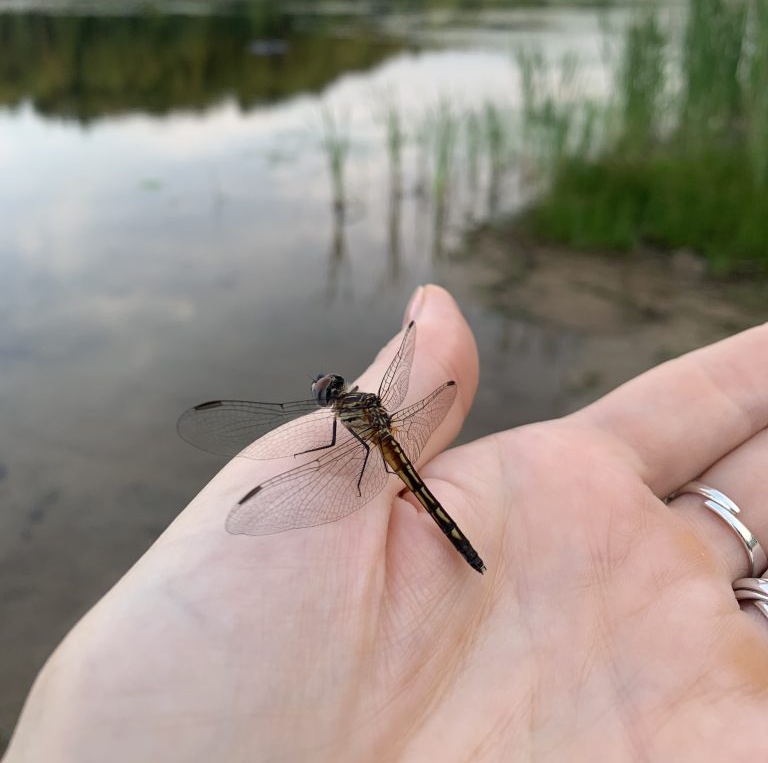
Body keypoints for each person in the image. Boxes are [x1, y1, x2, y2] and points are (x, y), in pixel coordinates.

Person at [7, 284, 768, 761]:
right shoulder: (372, 407)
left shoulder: (343, 425)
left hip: (386, 458)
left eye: (327, 391)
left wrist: (352, 448)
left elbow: (340, 453)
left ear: (335, 399)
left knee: (407, 483)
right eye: (329, 392)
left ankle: (452, 537)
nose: (325, 394)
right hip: (393, 448)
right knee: (408, 478)